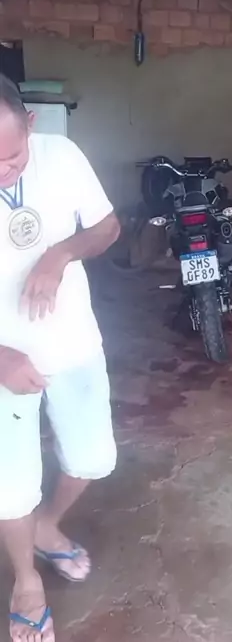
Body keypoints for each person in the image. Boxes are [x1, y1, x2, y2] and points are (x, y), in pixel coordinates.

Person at [0, 74, 120, 642]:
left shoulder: (63, 156)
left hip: (73, 344)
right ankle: (26, 581)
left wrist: (61, 253)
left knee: (92, 458)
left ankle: (48, 526)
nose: (2, 171)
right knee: (10, 483)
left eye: (12, 157)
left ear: (31, 125)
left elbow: (107, 227)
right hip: (3, 363)